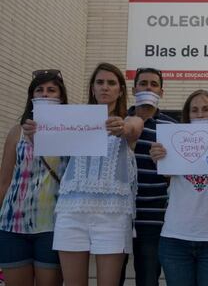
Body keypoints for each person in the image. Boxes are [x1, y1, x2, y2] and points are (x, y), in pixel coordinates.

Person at [51, 63, 144, 286]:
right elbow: (48, 143)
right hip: (71, 211)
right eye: (100, 82)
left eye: (111, 83)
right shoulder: (73, 121)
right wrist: (37, 131)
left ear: (120, 90)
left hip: (112, 215)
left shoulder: (131, 119)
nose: (105, 87)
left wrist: (122, 127)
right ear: (92, 88)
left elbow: (133, 128)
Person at [150, 89, 208, 286]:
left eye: (206, 109)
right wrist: (159, 157)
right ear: (187, 115)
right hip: (175, 236)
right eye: (194, 110)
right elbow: (166, 174)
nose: (200, 114)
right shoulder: (174, 140)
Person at [0, 69, 69, 286]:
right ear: (32, 98)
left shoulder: (71, 132)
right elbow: (5, 180)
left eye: (51, 90)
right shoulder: (16, 132)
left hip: (52, 224)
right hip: (13, 223)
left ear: (61, 98)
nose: (45, 95)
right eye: (39, 90)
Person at [120, 68, 176, 286]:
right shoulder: (120, 122)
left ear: (161, 92)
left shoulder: (171, 128)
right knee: (113, 277)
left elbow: (175, 178)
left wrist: (164, 164)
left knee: (148, 278)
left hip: (154, 217)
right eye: (143, 84)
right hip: (120, 214)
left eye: (154, 85)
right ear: (134, 89)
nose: (148, 88)